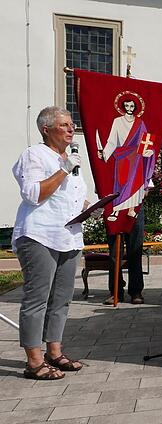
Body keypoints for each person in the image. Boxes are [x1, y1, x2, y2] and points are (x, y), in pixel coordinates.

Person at [11, 106, 89, 380]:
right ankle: (33, 362)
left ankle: (53, 352)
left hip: (68, 236)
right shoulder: (34, 155)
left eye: (71, 124)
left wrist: (95, 207)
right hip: (39, 235)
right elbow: (33, 194)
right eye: (64, 125)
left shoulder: (70, 159)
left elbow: (72, 199)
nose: (71, 129)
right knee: (37, 299)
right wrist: (64, 170)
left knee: (62, 299)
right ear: (47, 129)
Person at [100, 97, 154, 221]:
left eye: (132, 106)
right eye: (127, 106)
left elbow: (145, 139)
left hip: (137, 158)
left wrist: (148, 151)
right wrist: (105, 154)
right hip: (123, 156)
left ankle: (131, 210)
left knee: (135, 183)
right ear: (123, 107)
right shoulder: (118, 121)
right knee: (121, 182)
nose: (130, 109)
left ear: (135, 107)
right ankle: (116, 210)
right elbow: (112, 140)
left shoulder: (139, 123)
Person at [102, 206, 146, 305]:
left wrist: (146, 190)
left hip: (135, 207)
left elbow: (146, 190)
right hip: (114, 208)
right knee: (114, 254)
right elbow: (101, 191)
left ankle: (136, 291)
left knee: (135, 252)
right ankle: (116, 292)